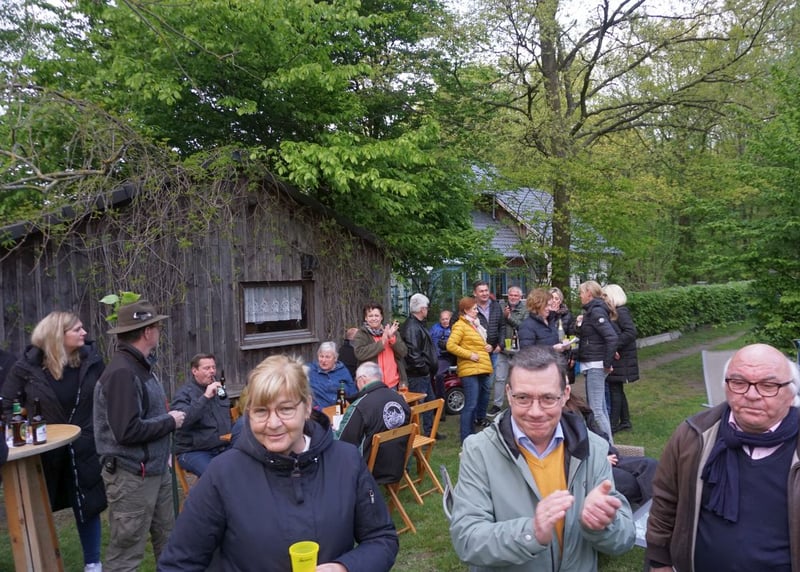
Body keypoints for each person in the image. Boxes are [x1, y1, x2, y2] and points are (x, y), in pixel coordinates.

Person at [158, 354, 399, 572]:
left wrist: (344, 568)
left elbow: (381, 538)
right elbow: (178, 564)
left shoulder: (346, 462)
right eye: (261, 411)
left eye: (285, 409)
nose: (273, 424)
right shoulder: (223, 474)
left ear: (307, 407)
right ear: (248, 413)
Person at [449, 346, 635, 571]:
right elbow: (467, 540)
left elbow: (624, 538)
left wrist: (603, 525)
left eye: (548, 398)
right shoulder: (479, 450)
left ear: (565, 395)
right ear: (508, 394)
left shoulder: (594, 448)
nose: (535, 412)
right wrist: (531, 533)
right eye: (523, 398)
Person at [646, 343, 800, 572]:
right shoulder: (693, 435)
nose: (751, 395)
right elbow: (665, 501)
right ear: (726, 388)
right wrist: (659, 562)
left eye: (768, 385)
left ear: (791, 394)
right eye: (739, 382)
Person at [2, 312, 106, 572]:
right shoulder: (26, 368)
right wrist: (24, 430)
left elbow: (106, 397)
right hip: (44, 451)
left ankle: (93, 563)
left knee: (87, 504)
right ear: (58, 335)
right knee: (39, 506)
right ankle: (42, 560)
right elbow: (6, 404)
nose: (85, 333)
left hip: (84, 445)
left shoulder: (91, 361)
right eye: (77, 329)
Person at [94, 300, 186, 571]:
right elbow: (126, 430)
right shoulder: (122, 373)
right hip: (131, 477)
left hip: (155, 471)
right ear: (147, 332)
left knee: (170, 543)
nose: (158, 331)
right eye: (157, 326)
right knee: (126, 553)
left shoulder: (141, 366)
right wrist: (169, 421)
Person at [564, 394, 657, 507]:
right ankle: (652, 513)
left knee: (650, 464)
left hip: (608, 454)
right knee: (632, 483)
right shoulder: (557, 416)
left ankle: (655, 513)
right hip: (590, 466)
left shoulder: (576, 403)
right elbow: (570, 453)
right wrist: (599, 460)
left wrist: (607, 449)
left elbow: (597, 432)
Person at [336, 361, 412, 483]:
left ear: (362, 380)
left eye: (356, 381)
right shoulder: (399, 398)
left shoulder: (361, 406)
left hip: (372, 468)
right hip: (398, 463)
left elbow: (344, 440)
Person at [171, 353, 232, 476]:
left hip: (222, 447)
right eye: (207, 368)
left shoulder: (219, 390)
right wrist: (205, 397)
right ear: (195, 371)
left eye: (213, 367)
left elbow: (227, 417)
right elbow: (183, 421)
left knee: (245, 467)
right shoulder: (183, 394)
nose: (212, 371)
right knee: (215, 477)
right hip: (194, 451)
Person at [575, 280, 618, 443]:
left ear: (589, 294)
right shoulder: (592, 312)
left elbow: (612, 337)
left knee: (596, 410)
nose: (579, 296)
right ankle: (609, 443)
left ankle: (609, 447)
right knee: (601, 408)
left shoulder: (596, 312)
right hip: (594, 363)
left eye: (581, 293)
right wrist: (580, 325)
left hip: (596, 365)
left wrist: (607, 363)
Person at [446, 297, 493, 443]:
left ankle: (471, 436)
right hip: (469, 370)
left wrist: (488, 347)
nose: (477, 311)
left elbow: (476, 344)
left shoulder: (475, 325)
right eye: (474, 309)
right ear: (466, 310)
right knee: (470, 405)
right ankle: (465, 438)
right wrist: (469, 355)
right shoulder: (460, 325)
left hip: (480, 368)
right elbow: (450, 345)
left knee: (475, 403)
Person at [399, 293, 438, 436]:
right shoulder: (412, 327)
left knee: (429, 403)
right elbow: (413, 355)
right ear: (422, 309)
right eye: (426, 307)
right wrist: (425, 369)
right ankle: (413, 435)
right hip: (417, 375)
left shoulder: (417, 324)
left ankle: (429, 432)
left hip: (422, 373)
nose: (427, 310)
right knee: (417, 406)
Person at [603, 284, 639, 433]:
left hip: (622, 357)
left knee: (615, 389)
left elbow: (631, 332)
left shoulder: (621, 312)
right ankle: (625, 421)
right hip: (620, 356)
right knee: (617, 388)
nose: (603, 299)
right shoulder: (614, 313)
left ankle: (613, 424)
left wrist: (615, 345)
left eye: (605, 296)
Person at [489, 286, 527, 415]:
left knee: (517, 379)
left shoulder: (525, 309)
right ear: (508, 296)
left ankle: (517, 403)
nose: (513, 297)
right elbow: (496, 325)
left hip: (518, 351)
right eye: (511, 295)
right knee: (500, 378)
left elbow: (523, 326)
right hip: (503, 349)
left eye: (516, 295)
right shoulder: (501, 307)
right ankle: (497, 405)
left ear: (520, 297)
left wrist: (509, 317)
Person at [353, 303, 408, 390]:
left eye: (376, 315)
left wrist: (392, 338)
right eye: (370, 316)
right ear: (366, 318)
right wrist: (381, 343)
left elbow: (403, 352)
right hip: (371, 385)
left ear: (381, 317)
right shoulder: (361, 334)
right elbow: (359, 354)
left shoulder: (391, 332)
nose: (374, 318)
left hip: (394, 384)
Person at [472, 281, 505, 426]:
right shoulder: (470, 307)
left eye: (486, 290)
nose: (484, 293)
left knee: (487, 386)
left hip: (493, 353)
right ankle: (472, 416)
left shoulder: (496, 306)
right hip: (476, 355)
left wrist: (500, 344)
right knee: (475, 387)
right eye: (481, 291)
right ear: (475, 293)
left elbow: (502, 326)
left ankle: (481, 416)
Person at [308, 341, 356, 409]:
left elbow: (353, 393)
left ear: (335, 358)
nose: (323, 360)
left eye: (327, 357)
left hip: (340, 410)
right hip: (319, 411)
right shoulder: (310, 370)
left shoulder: (342, 371)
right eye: (321, 356)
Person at [548, 287, 576, 384]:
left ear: (560, 300)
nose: (554, 301)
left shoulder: (568, 316)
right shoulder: (544, 315)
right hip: (549, 353)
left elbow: (572, 337)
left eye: (556, 298)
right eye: (552, 298)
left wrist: (573, 357)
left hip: (564, 354)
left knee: (563, 383)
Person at [429, 309, 454, 406]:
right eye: (443, 319)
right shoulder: (434, 329)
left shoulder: (454, 329)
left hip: (446, 357)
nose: (445, 321)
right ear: (440, 320)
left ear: (450, 319)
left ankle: (441, 403)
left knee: (439, 375)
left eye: (447, 319)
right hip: (434, 356)